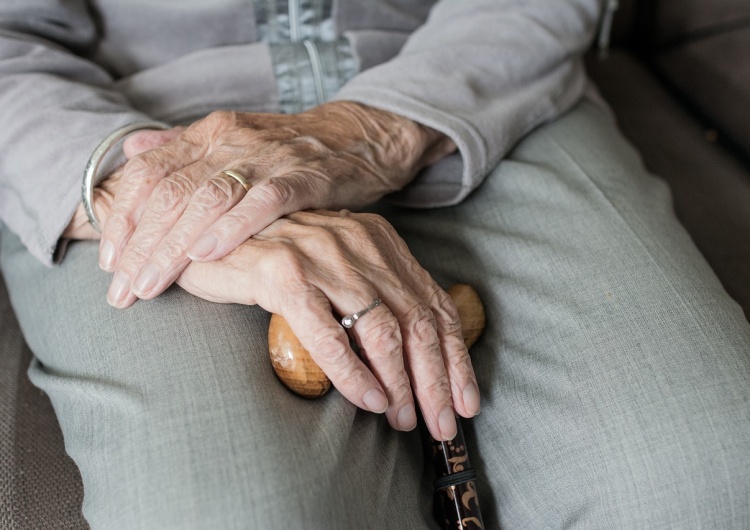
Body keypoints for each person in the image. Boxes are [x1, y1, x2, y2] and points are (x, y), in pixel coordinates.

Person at [1, 1, 748, 528]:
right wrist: (162, 200)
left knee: (710, 472)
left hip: (477, 83)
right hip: (125, 131)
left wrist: (373, 129)